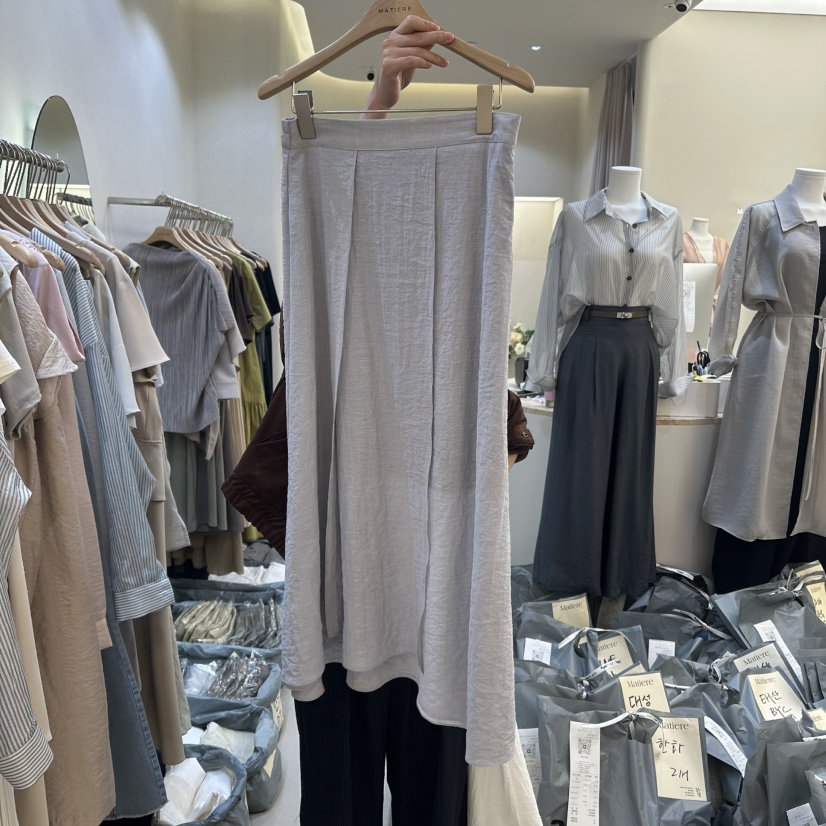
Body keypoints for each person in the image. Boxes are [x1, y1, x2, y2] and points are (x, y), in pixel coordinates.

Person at [224, 15, 535, 826]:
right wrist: (374, 115)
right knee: (343, 790)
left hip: (440, 577)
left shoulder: (481, 168)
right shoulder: (320, 174)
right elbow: (344, 226)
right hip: (346, 561)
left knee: (430, 791)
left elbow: (498, 443)